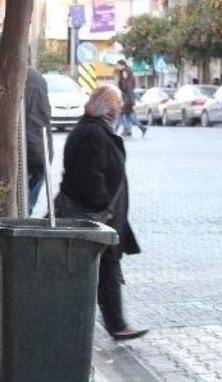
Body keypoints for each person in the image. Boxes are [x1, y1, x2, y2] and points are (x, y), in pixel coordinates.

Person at [55, 85, 148, 341]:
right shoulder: (92, 134)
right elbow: (89, 177)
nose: (120, 108)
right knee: (101, 268)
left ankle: (116, 323)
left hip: (99, 214)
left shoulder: (93, 130)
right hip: (94, 215)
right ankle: (110, 324)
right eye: (117, 103)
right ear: (106, 107)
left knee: (107, 268)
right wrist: (103, 204)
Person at [0, 32, 53, 215]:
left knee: (11, 209)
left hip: (13, 153)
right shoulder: (38, 78)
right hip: (41, 153)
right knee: (25, 206)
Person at [115, 61, 146, 138]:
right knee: (130, 116)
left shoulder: (126, 76)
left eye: (118, 65)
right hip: (129, 98)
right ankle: (142, 128)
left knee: (121, 114)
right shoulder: (127, 75)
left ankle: (124, 130)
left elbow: (127, 89)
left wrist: (126, 100)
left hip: (127, 99)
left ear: (123, 65)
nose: (117, 67)